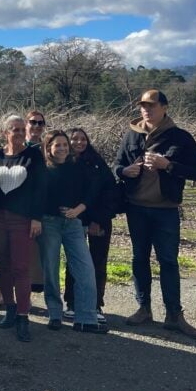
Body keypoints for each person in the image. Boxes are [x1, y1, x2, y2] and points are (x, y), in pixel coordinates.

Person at [115, 89, 196, 338]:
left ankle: (174, 314)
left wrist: (169, 166)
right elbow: (117, 165)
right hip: (136, 208)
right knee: (139, 259)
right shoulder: (131, 136)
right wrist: (126, 171)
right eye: (143, 106)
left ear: (164, 107)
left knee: (168, 261)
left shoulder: (180, 137)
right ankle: (143, 308)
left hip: (165, 209)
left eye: (151, 105)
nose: (146, 110)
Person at [38, 129, 108, 334]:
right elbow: (37, 196)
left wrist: (80, 209)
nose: (62, 148)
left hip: (74, 224)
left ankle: (85, 317)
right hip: (49, 223)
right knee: (50, 269)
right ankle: (55, 313)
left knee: (85, 268)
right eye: (57, 145)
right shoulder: (43, 169)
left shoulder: (77, 167)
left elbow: (92, 190)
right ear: (49, 147)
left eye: (64, 145)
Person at [0, 113, 47, 342]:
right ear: (5, 132)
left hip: (22, 220)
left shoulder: (33, 156)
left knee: (21, 267)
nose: (20, 133)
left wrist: (36, 218)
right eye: (15, 129)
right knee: (3, 266)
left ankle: (23, 315)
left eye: (22, 129)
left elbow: (40, 189)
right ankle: (9, 308)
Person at [64, 128, 119, 323]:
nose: (79, 142)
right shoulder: (66, 163)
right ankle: (71, 302)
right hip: (74, 220)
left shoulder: (97, 163)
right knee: (73, 262)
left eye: (83, 139)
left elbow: (107, 192)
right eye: (75, 139)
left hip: (98, 220)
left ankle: (95, 304)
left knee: (97, 262)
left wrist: (98, 219)